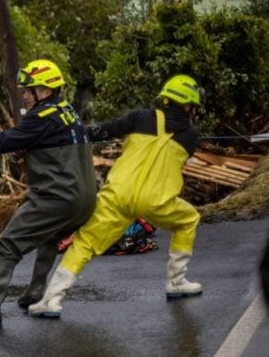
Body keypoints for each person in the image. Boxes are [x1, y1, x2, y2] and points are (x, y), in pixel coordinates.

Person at [29, 74, 204, 319]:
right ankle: (175, 282)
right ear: (187, 105)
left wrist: (68, 134)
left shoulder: (140, 117)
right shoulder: (191, 136)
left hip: (118, 195)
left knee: (85, 243)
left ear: (165, 99)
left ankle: (51, 300)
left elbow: (102, 130)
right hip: (157, 200)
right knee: (188, 220)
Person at [0, 58, 97, 325]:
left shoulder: (41, 117)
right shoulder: (67, 111)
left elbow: (3, 141)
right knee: (49, 236)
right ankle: (35, 292)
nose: (25, 96)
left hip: (57, 197)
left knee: (7, 247)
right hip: (84, 200)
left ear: (45, 91)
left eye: (29, 90)